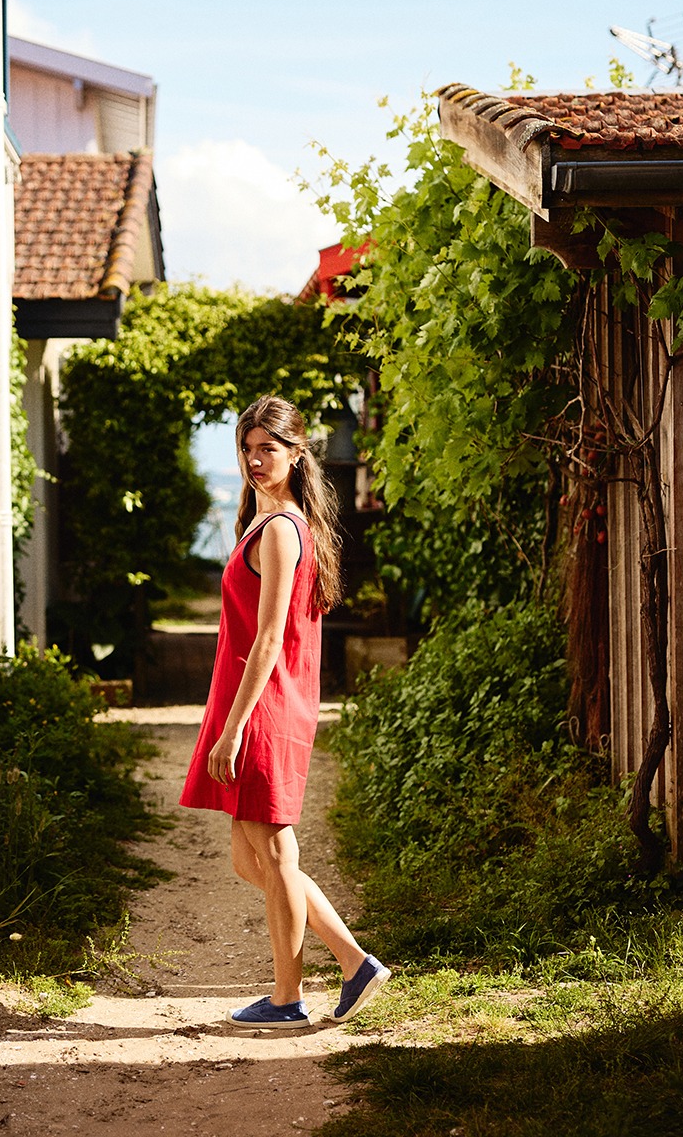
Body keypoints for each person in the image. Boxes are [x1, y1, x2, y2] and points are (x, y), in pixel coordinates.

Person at [179, 395, 390, 1029]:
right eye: (246, 449)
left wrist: (233, 729)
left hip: (264, 708)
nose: (254, 460)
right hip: (261, 702)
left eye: (267, 449)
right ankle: (354, 964)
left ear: (296, 454)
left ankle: (287, 998)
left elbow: (270, 637)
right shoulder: (270, 522)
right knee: (254, 861)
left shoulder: (279, 530)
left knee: (274, 857)